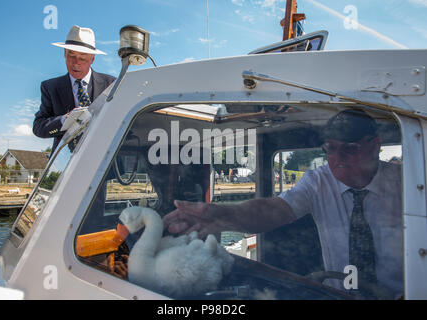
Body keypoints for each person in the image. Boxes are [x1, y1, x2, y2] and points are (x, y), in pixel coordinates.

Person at [163, 108, 402, 298]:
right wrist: (220, 216)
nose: (338, 158)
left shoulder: (408, 185)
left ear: (375, 144)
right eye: (331, 148)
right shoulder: (318, 181)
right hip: (336, 295)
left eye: (349, 149)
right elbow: (273, 209)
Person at [33, 25, 116, 153]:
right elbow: (38, 127)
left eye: (82, 58)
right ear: (64, 54)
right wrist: (64, 120)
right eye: (71, 55)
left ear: (92, 59)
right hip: (67, 163)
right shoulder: (50, 87)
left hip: (103, 157)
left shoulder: (111, 84)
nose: (75, 62)